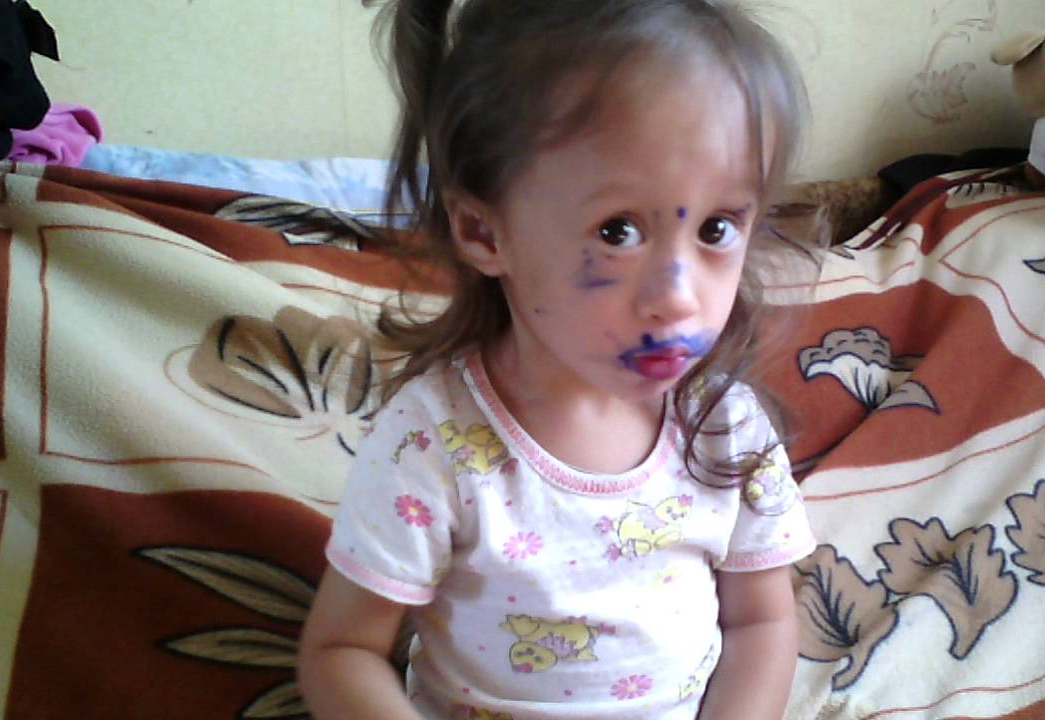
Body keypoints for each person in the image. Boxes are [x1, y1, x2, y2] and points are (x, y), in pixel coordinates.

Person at [298, 1, 817, 718]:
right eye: (618, 231)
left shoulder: (726, 426)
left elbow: (761, 622)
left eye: (716, 228)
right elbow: (342, 651)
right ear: (484, 232)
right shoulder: (432, 443)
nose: (678, 298)